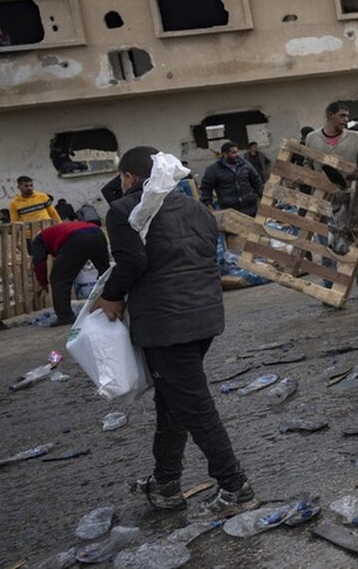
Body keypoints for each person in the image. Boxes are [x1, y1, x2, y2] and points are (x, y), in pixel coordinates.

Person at [98, 146, 255, 514]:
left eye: (123, 178)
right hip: (203, 318)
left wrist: (110, 296)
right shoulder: (196, 209)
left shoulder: (124, 212)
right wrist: (134, 179)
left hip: (166, 323)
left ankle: (235, 486)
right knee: (172, 402)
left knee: (195, 407)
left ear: (129, 179)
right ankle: (166, 483)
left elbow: (132, 260)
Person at [304, 102, 358, 292]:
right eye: (342, 116)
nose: (346, 120)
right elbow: (307, 161)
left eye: (347, 116)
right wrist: (312, 180)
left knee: (353, 243)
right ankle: (329, 286)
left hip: (349, 199)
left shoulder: (355, 137)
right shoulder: (312, 138)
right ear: (329, 115)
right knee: (326, 245)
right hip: (323, 199)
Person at [28, 220, 110, 326]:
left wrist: (43, 283)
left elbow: (39, 261)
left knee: (59, 279)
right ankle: (117, 300)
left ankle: (65, 316)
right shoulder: (53, 231)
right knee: (105, 272)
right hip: (97, 233)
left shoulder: (38, 241)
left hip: (75, 238)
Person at [200, 142, 264, 217]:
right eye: (233, 153)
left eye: (237, 152)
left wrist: (263, 196)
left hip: (251, 209)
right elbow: (206, 189)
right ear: (225, 154)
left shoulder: (245, 164)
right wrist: (209, 207)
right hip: (231, 212)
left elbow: (257, 181)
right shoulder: (213, 170)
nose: (237, 155)